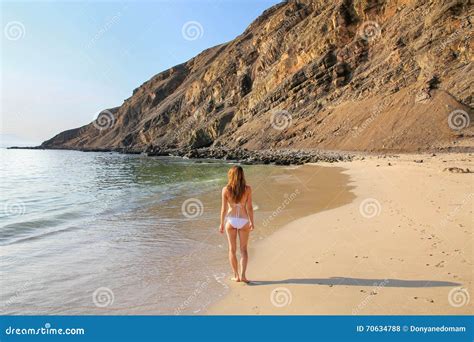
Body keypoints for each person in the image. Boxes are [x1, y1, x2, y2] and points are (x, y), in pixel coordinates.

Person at [219, 165, 254, 283]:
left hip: (231, 221)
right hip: (244, 221)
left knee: (232, 249)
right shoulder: (247, 189)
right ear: (242, 175)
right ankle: (243, 275)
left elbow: (223, 209)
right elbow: (249, 208)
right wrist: (252, 222)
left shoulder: (226, 189)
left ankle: (236, 276)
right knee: (244, 249)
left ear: (231, 175)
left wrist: (221, 224)